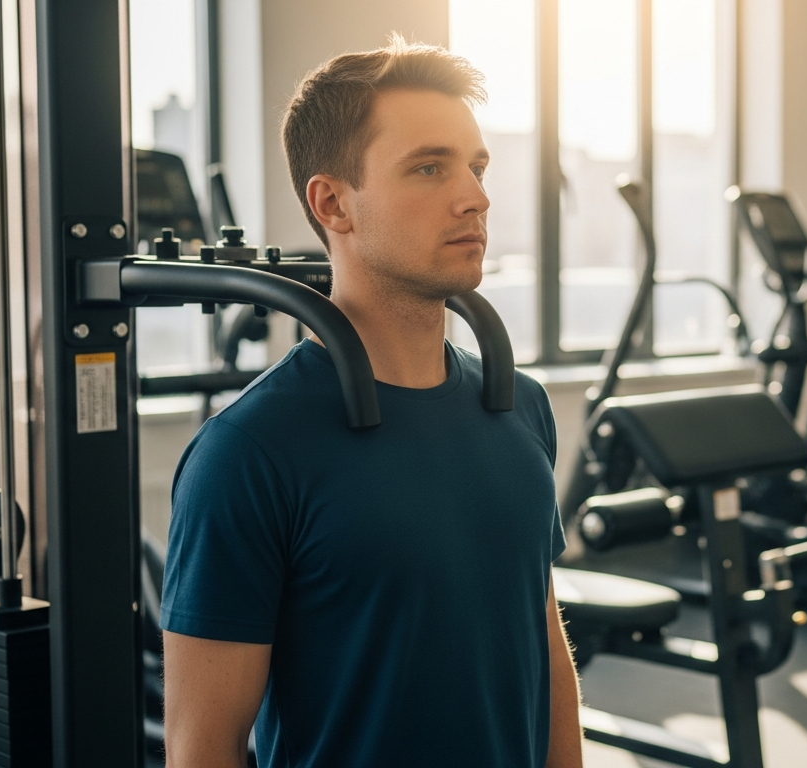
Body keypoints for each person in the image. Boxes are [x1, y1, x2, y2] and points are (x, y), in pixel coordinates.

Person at [159, 35, 582, 768]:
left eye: (476, 167)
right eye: (429, 167)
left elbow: (543, 650)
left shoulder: (519, 406)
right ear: (333, 203)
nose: (475, 196)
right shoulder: (248, 454)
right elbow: (204, 747)